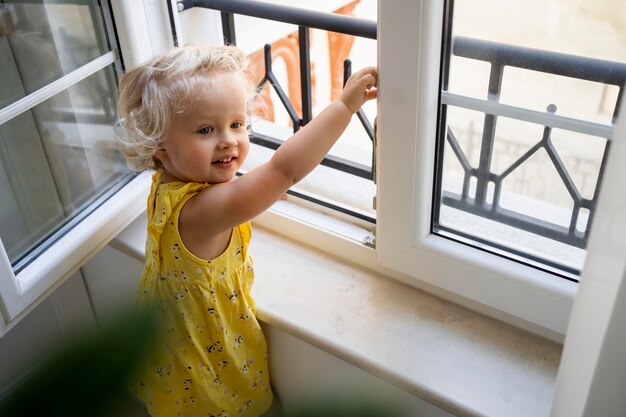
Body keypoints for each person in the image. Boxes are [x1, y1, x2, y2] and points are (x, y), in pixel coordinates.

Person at [116, 44, 377, 417]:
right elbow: (283, 171)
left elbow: (243, 187)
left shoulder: (167, 184)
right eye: (206, 129)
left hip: (167, 343)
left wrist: (256, 190)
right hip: (205, 359)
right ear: (160, 145)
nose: (229, 140)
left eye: (237, 124)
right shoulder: (201, 212)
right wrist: (344, 107)